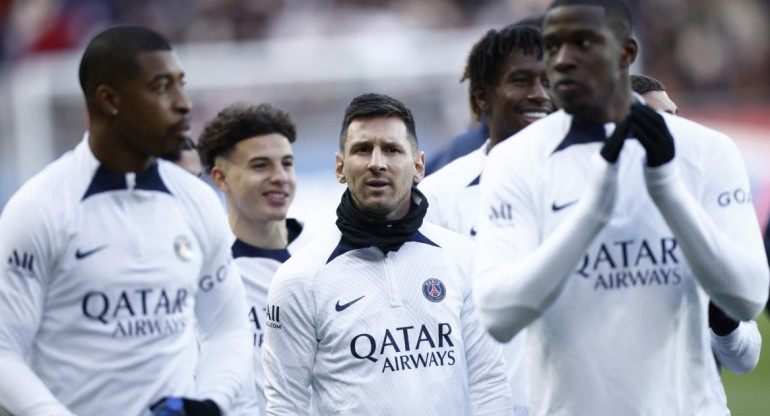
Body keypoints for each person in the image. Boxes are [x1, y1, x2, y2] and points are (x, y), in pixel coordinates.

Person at [473, 1, 769, 414]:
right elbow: (499, 315)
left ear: (626, 53)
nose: (563, 60)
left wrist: (667, 189)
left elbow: (747, 298)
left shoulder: (706, 151)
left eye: (583, 42)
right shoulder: (515, 161)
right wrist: (592, 212)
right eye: (553, 46)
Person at [0, 26, 252, 416]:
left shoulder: (198, 202)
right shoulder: (38, 208)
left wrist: (209, 402)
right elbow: (4, 354)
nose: (183, 103)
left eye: (181, 85)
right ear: (110, 100)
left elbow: (227, 328)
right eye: (161, 87)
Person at [262, 93, 511, 415]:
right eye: (363, 149)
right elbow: (285, 406)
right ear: (340, 167)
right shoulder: (298, 279)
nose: (376, 163)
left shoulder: (463, 257)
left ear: (418, 165)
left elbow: (489, 384)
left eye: (392, 150)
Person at [419, 23, 555, 415]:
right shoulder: (439, 196)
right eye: (521, 80)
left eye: (548, 80)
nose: (539, 94)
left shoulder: (593, 179)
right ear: (482, 95)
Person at [632, 72, 761, 413]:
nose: (676, 131)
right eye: (660, 119)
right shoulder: (586, 221)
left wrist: (724, 324)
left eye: (677, 116)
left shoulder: (707, 220)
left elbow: (745, 360)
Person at [197, 102, 313, 415]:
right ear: (221, 178)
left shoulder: (323, 259)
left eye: (287, 164)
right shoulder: (202, 270)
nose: (280, 177)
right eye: (260, 166)